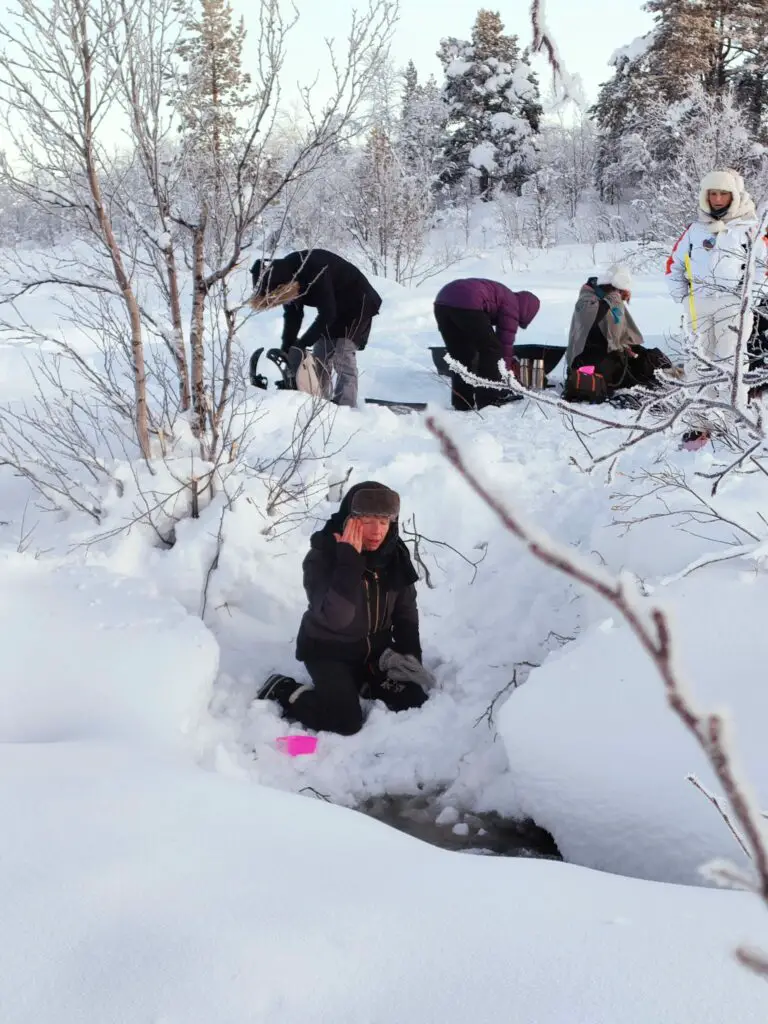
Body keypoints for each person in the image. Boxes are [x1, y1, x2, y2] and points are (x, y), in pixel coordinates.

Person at [257, 482, 434, 736]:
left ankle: (364, 682)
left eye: (383, 522)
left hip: (374, 654)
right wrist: (349, 563)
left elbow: (406, 615)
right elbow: (336, 618)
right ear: (350, 520)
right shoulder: (322, 557)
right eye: (367, 521)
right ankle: (283, 690)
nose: (376, 531)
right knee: (346, 723)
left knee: (414, 699)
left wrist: (410, 659)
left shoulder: (394, 557)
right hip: (328, 652)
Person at [665, 168, 766, 447]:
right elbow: (673, 266)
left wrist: (749, 296)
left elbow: (765, 267)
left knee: (729, 364)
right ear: (705, 197)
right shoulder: (695, 230)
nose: (718, 199)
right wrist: (683, 297)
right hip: (698, 307)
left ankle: (731, 424)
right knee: (697, 365)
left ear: (734, 196)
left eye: (723, 193)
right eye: (713, 194)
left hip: (733, 307)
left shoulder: (749, 230)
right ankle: (699, 425)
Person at [250, 249, 382, 408]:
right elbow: (293, 316)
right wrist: (287, 348)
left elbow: (327, 314)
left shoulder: (313, 268)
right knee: (320, 354)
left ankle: (347, 406)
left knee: (342, 352)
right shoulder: (286, 275)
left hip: (358, 302)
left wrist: (302, 343)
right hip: (335, 306)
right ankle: (319, 402)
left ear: (281, 286)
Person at [433, 279, 541, 411]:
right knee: (491, 350)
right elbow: (504, 345)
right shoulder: (512, 305)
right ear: (527, 310)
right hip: (468, 302)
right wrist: (505, 375)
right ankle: (488, 399)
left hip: (442, 303)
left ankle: (462, 401)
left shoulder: (504, 295)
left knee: (461, 354)